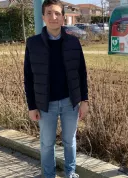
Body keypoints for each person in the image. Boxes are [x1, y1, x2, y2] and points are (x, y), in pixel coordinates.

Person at [24, 0, 89, 177]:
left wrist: (84, 100)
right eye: (49, 13)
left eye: (57, 13)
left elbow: (81, 73)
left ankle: (70, 173)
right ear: (43, 16)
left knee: (69, 142)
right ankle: (49, 175)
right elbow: (28, 78)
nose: (54, 17)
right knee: (46, 144)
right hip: (46, 105)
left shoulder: (74, 43)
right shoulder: (33, 44)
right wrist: (32, 106)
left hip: (71, 102)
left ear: (63, 17)